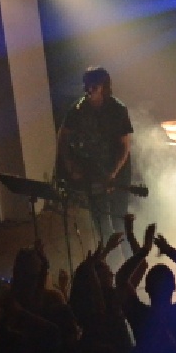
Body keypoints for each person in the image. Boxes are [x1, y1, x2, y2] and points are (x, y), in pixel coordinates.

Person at [56, 67, 134, 246]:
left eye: (94, 86)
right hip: (92, 171)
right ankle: (108, 254)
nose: (89, 89)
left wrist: (113, 173)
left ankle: (128, 255)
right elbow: (62, 137)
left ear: (104, 86)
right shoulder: (78, 109)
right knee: (100, 220)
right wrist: (69, 165)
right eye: (87, 85)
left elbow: (124, 146)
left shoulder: (118, 109)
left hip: (117, 172)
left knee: (119, 219)